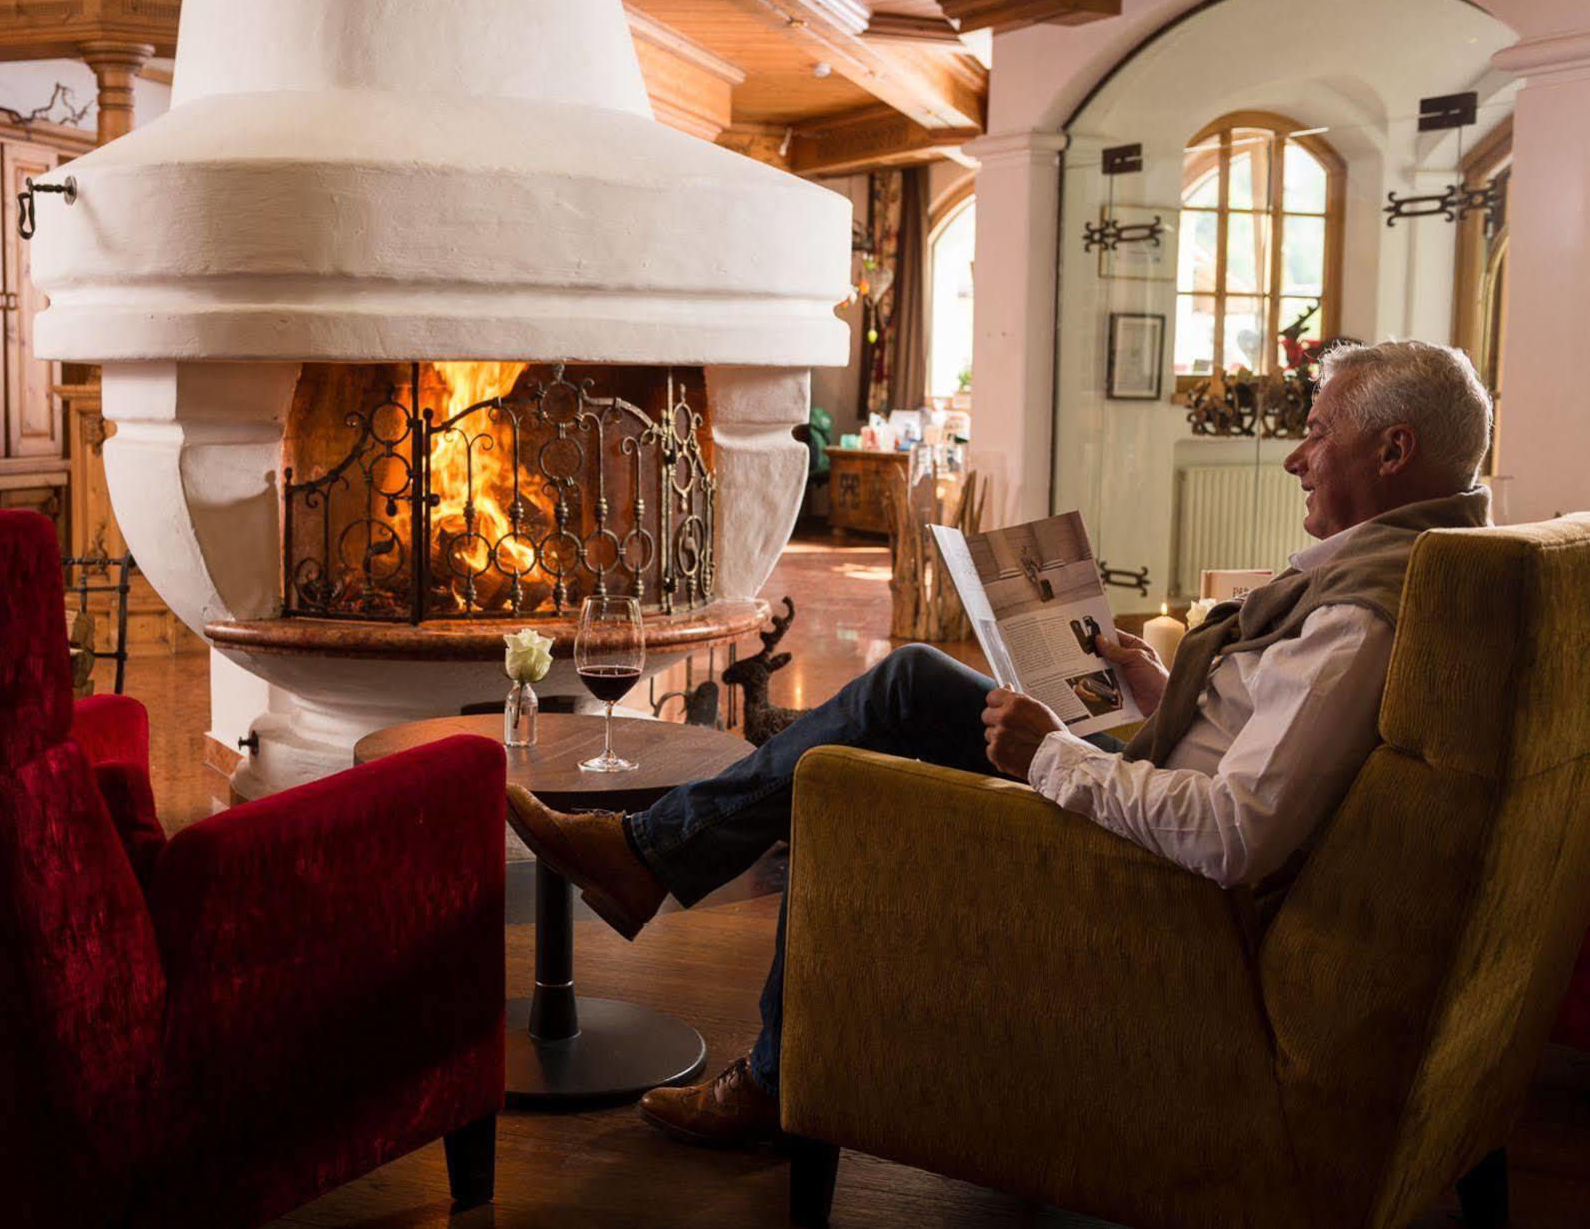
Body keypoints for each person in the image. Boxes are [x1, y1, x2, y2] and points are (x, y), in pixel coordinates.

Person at [506, 339, 1496, 1147]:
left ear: (1393, 451)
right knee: (908, 681)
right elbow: (1260, 744)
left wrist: (1050, 754)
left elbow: (1234, 834)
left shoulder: (1357, 619)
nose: (1295, 456)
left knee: (844, 784)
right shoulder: (1401, 575)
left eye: (1315, 433)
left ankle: (763, 1057)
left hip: (1161, 889)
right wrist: (1160, 699)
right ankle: (649, 859)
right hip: (1150, 799)